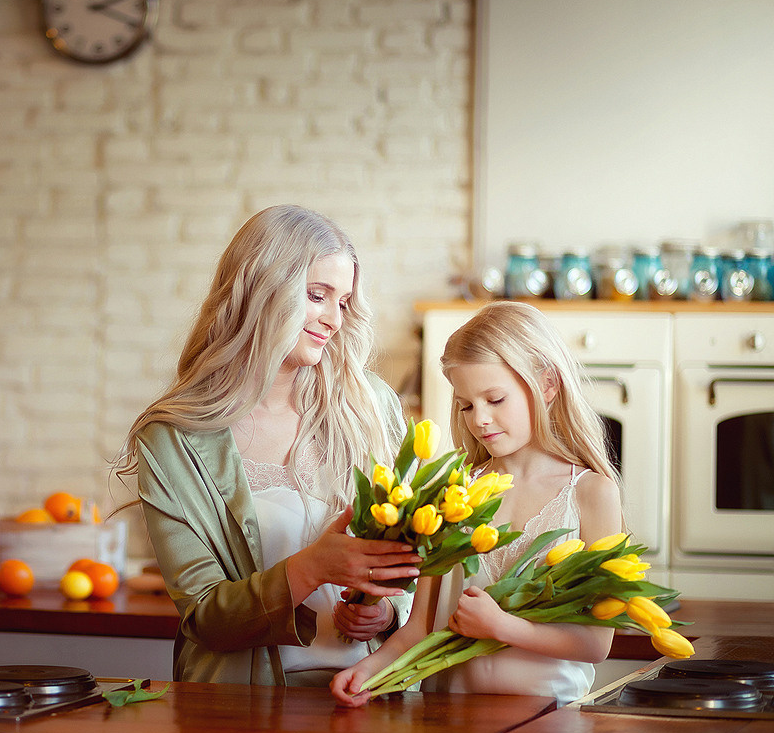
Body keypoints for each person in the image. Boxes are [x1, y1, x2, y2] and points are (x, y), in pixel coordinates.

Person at [115, 204, 423, 687]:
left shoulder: (371, 407)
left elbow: (415, 565)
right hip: (241, 708)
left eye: (342, 302)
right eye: (317, 295)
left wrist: (386, 614)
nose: (334, 320)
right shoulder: (176, 437)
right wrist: (311, 567)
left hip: (372, 695)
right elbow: (204, 616)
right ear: (262, 290)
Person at [331, 300, 624, 706]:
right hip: (448, 720)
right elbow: (418, 631)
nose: (479, 419)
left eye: (495, 399)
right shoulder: (455, 492)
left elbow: (596, 643)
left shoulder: (592, 493)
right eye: (466, 405)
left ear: (547, 386)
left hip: (552, 724)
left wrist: (501, 627)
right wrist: (365, 672)